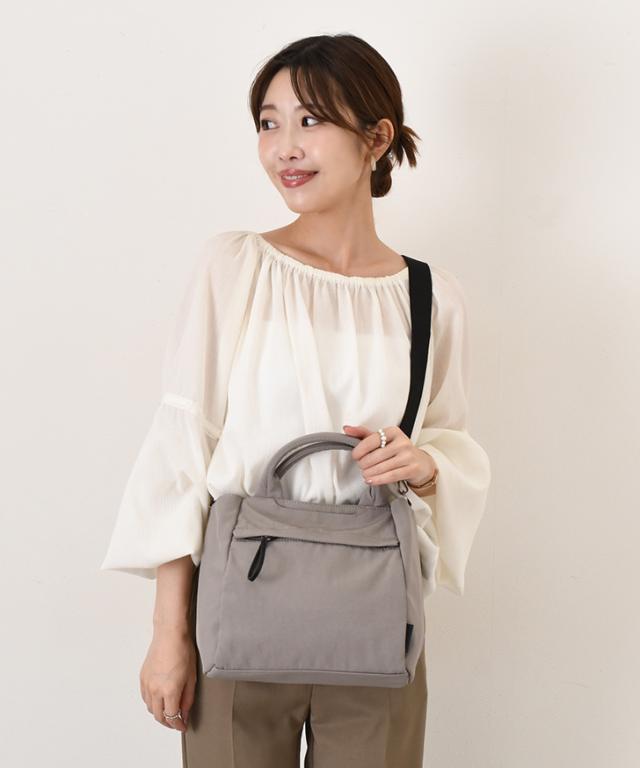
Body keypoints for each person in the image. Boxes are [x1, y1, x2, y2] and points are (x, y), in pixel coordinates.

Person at [100, 33, 491, 768]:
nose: (285, 147)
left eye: (310, 120)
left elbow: (450, 441)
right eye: (268, 122)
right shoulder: (235, 266)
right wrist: (168, 634)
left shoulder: (431, 297)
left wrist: (426, 463)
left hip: (376, 614)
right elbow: (183, 449)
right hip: (238, 608)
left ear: (376, 138)